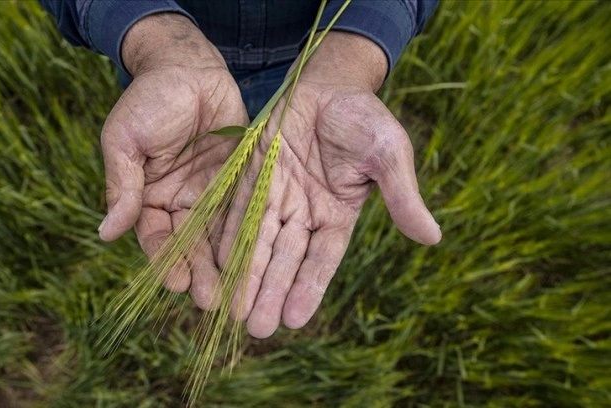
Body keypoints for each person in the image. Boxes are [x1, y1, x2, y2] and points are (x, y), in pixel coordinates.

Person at [40, 0, 442, 339]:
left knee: (263, 183)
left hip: (313, 57)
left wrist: (351, 57)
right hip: (165, 62)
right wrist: (154, 38)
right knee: (202, 180)